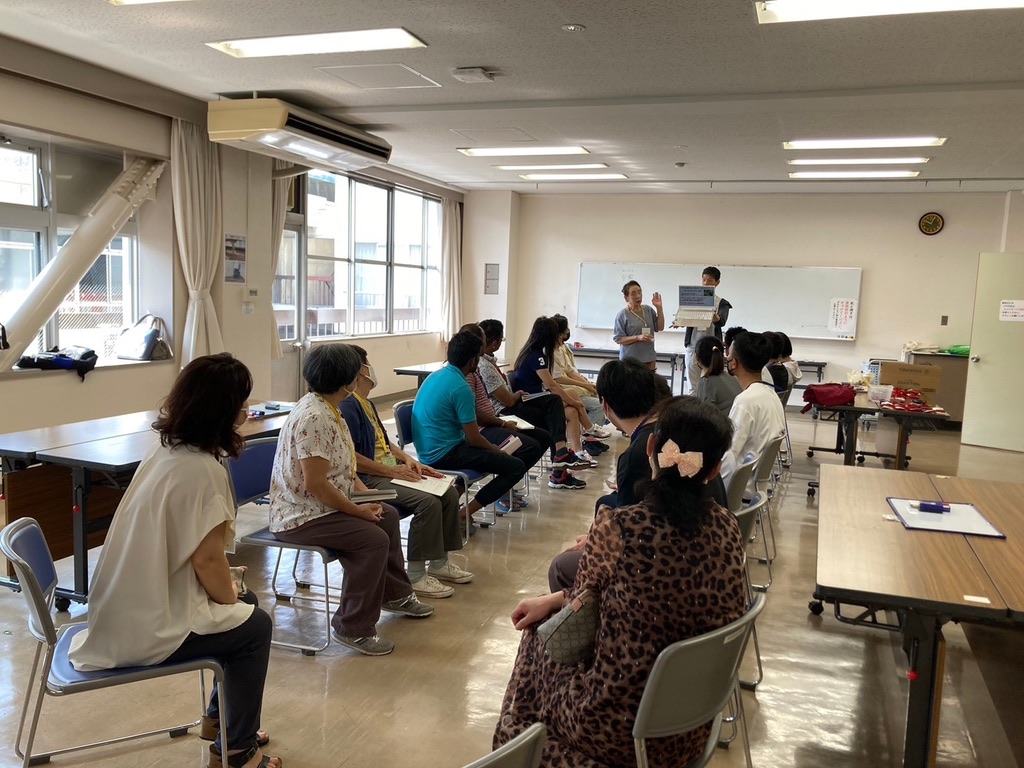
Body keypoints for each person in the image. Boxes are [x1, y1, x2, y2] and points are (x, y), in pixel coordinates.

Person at [494, 396, 748, 767]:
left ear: (650, 447)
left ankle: (517, 745)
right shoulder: (728, 527)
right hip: (691, 726)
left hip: (614, 727)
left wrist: (551, 603)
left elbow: (580, 605)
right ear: (715, 470)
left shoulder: (619, 526)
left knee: (536, 637)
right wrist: (555, 599)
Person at [68, 354, 280, 768]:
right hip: (147, 625)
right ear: (222, 411)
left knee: (245, 606)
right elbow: (207, 560)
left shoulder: (165, 452)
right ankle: (238, 752)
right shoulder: (203, 470)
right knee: (255, 625)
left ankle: (219, 722)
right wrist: (229, 593)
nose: (246, 411)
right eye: (242, 403)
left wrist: (230, 594)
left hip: (123, 607)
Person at [270, 344, 432, 658]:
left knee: (386, 514)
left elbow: (343, 464)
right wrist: (356, 509)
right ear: (348, 381)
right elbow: (316, 484)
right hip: (299, 516)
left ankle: (394, 594)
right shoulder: (315, 417)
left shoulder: (330, 407)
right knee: (371, 539)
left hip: (319, 505)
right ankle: (352, 627)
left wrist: (364, 494)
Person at [339, 345, 473, 600]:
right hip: (369, 479)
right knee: (428, 503)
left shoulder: (366, 403)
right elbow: (351, 458)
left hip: (389, 471)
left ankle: (439, 563)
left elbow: (383, 441)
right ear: (360, 371)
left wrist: (408, 460)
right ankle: (416, 575)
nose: (372, 369)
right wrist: (393, 471)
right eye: (368, 364)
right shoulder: (348, 406)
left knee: (448, 493)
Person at [412, 330, 533, 521]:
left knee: (482, 455)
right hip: (443, 453)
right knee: (515, 466)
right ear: (472, 361)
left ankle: (452, 502)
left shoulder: (436, 376)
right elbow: (474, 438)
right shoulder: (461, 388)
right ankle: (462, 514)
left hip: (428, 449)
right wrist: (495, 449)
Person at [476, 318, 590, 490]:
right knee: (555, 409)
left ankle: (561, 462)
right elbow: (508, 400)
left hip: (518, 403)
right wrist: (517, 395)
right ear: (494, 342)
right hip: (506, 410)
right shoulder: (486, 366)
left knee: (557, 413)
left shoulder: (492, 361)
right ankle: (562, 460)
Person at [460, 323, 548, 512]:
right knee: (528, 448)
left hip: (491, 422)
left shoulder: (475, 368)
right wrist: (501, 423)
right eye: (484, 340)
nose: (487, 344)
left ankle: (505, 485)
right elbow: (473, 416)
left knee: (542, 437)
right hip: (482, 427)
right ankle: (497, 494)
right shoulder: (466, 374)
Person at [513, 316, 603, 468]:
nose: (560, 337)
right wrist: (576, 403)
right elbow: (552, 385)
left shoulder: (535, 352)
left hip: (539, 397)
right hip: (530, 400)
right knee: (570, 401)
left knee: (572, 410)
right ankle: (587, 431)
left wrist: (575, 402)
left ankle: (577, 451)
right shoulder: (537, 356)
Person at [723, 331, 786, 496]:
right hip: (756, 487)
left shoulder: (745, 401)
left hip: (740, 489)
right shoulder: (771, 394)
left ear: (734, 363)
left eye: (728, 353)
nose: (726, 357)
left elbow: (729, 454)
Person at [550, 314, 610, 435]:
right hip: (564, 391)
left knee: (604, 397)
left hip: (574, 388)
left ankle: (591, 431)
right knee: (599, 406)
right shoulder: (550, 352)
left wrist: (587, 384)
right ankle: (589, 437)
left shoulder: (562, 348)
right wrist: (584, 385)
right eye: (565, 331)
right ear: (559, 334)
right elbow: (558, 378)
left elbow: (571, 371)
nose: (567, 333)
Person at [684, 266, 731, 394]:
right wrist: (681, 321)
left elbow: (721, 321)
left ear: (717, 283)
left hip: (712, 348)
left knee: (711, 382)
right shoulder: (692, 299)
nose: (705, 283)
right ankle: (693, 405)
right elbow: (686, 317)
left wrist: (713, 314)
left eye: (710, 280)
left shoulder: (722, 303)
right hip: (693, 346)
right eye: (704, 279)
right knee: (692, 385)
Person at [613, 280, 664, 370]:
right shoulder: (622, 315)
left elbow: (660, 327)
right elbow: (618, 339)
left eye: (639, 292)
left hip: (649, 358)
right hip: (630, 362)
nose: (638, 296)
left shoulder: (648, 310)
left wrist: (659, 308)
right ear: (626, 298)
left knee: (649, 379)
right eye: (633, 294)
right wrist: (638, 337)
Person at [694, 335, 742, 414]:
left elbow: (705, 416)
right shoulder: (731, 377)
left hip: (723, 421)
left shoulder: (706, 382)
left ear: (697, 358)